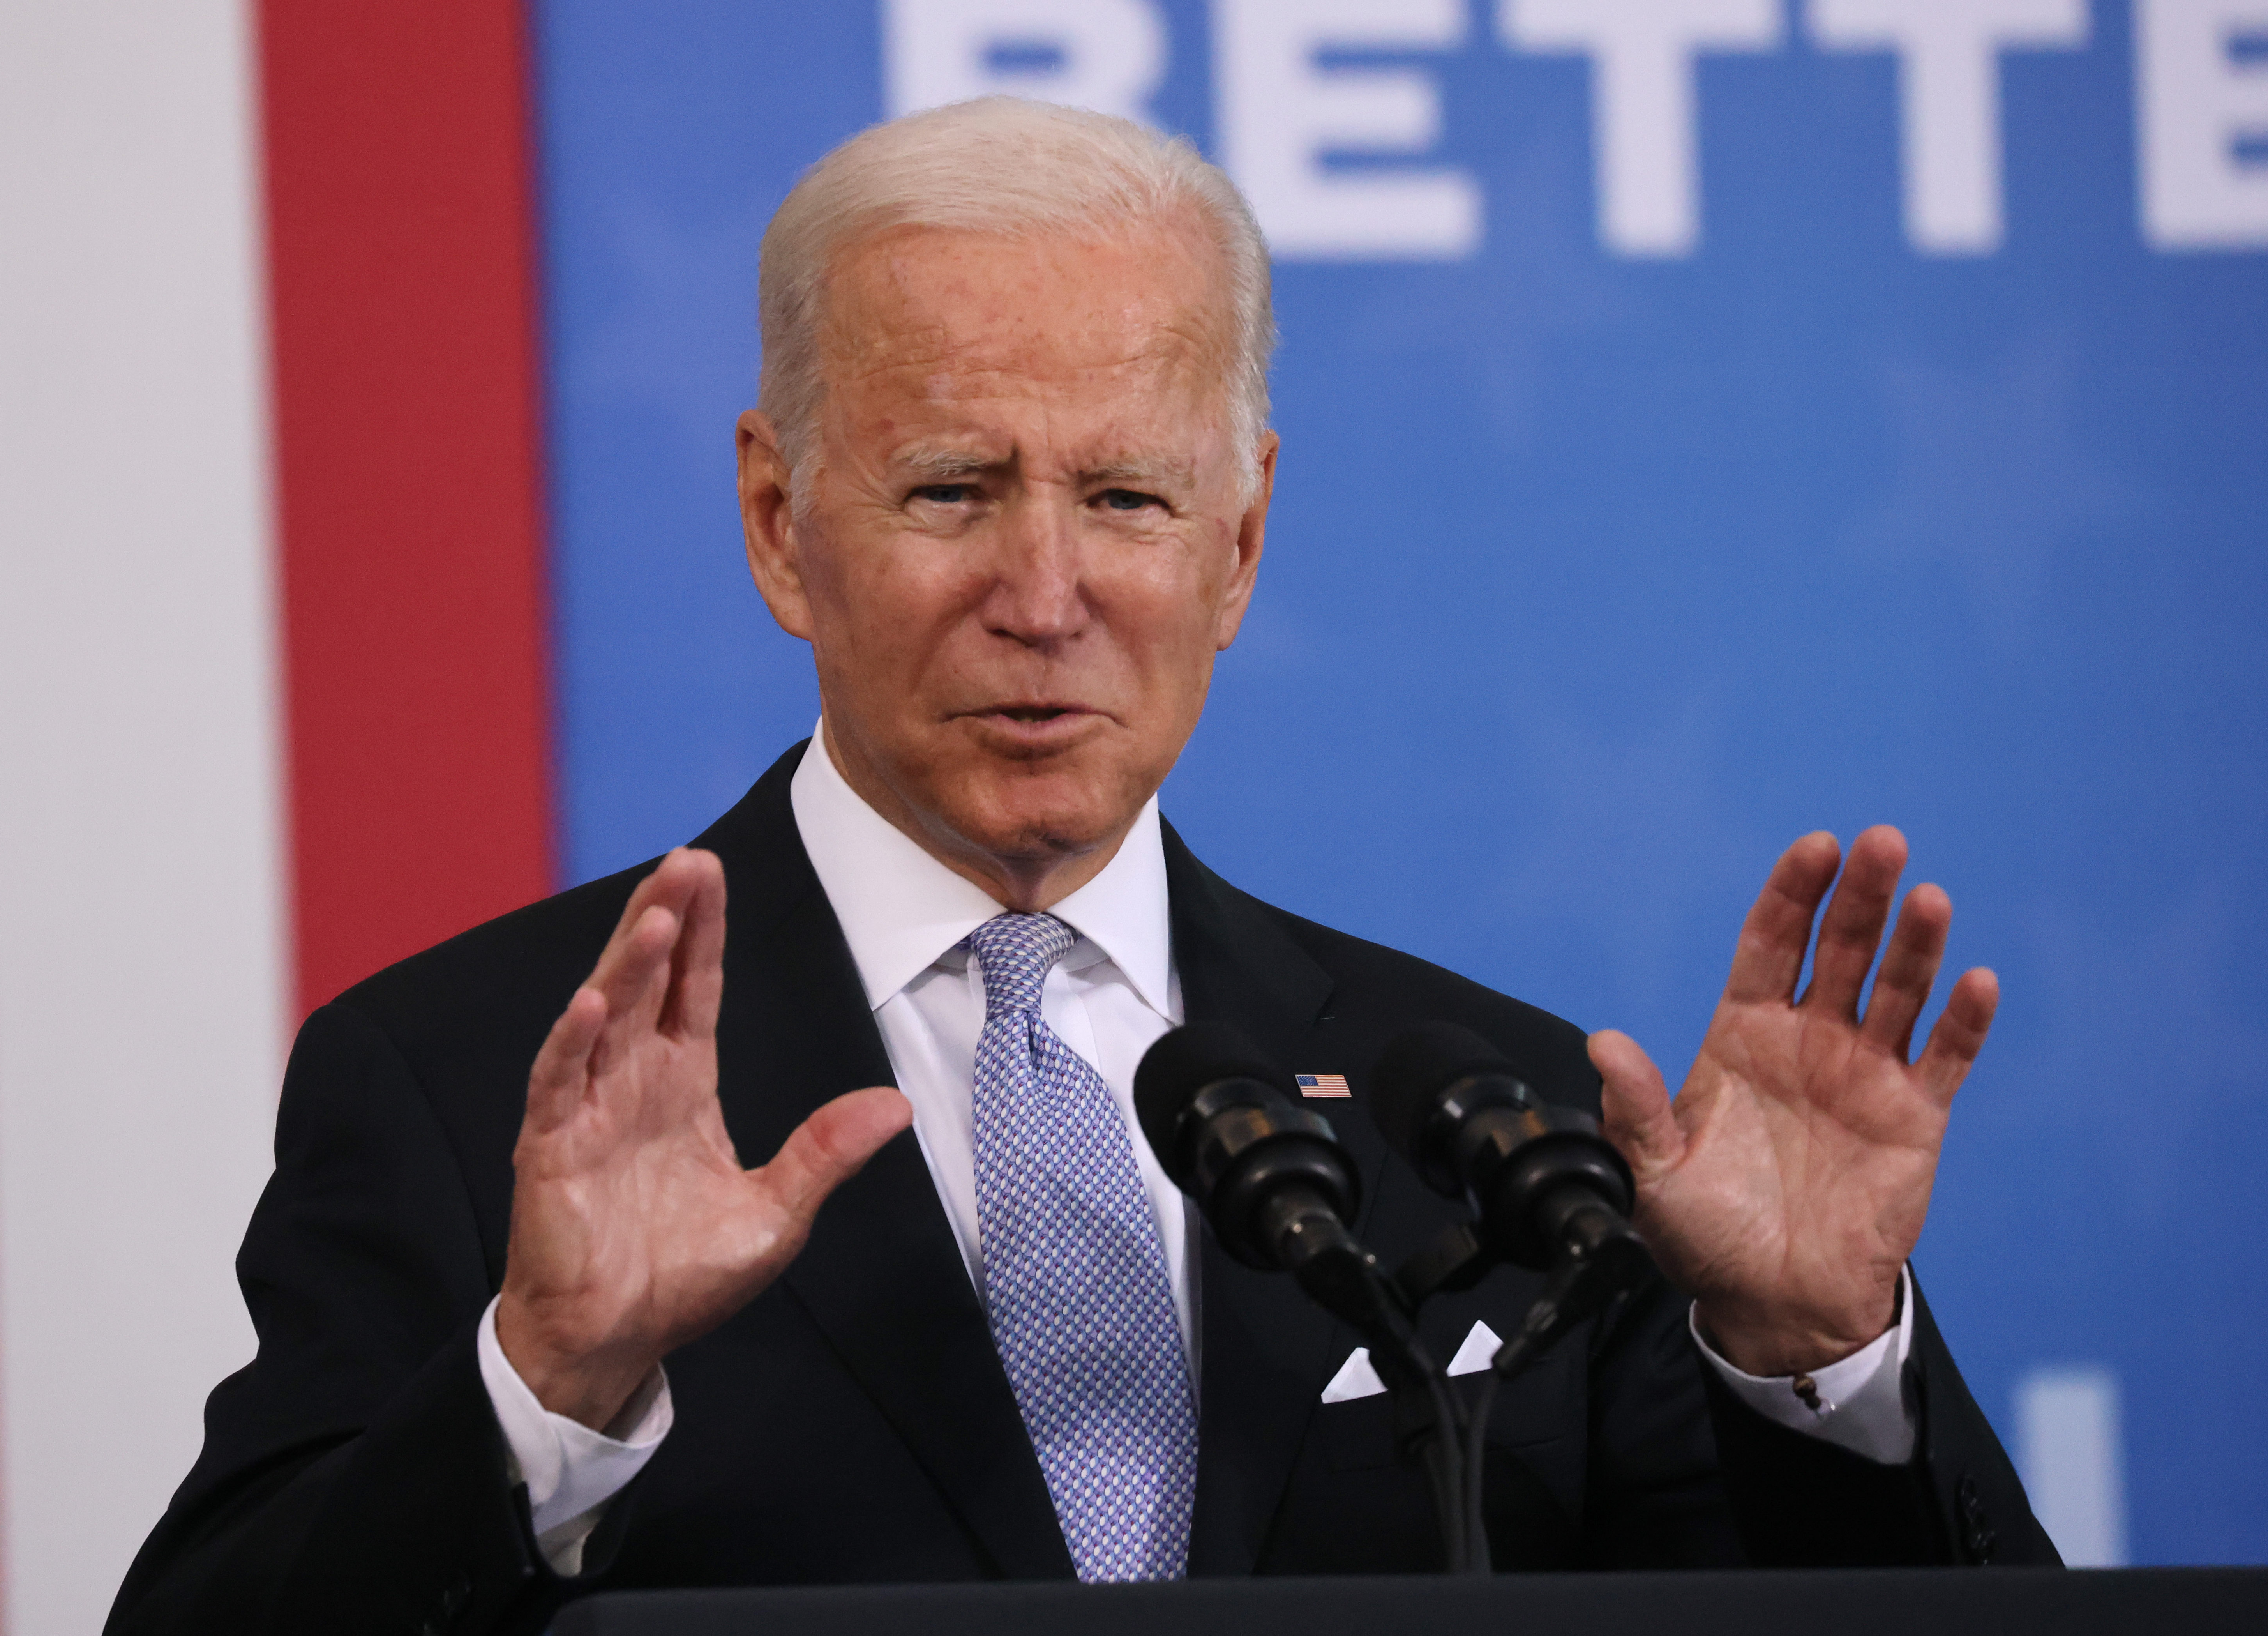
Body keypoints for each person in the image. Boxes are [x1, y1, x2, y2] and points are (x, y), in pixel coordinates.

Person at [107, 97, 2053, 1636]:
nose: (1043, 597)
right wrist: (543, 1384)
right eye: (950, 489)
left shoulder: (1508, 1128)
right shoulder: (465, 1085)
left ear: (1240, 543)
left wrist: (1816, 1358)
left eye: (1125, 496)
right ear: (782, 528)